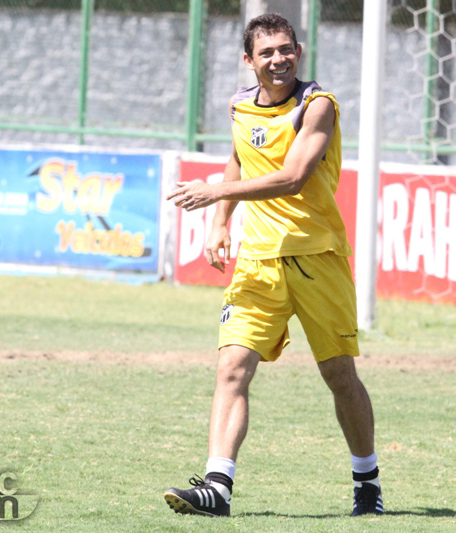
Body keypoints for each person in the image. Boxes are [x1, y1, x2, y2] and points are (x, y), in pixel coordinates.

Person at [164, 13, 383, 518]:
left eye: (286, 49)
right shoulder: (240, 105)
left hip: (317, 258)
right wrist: (221, 222)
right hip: (258, 262)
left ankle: (367, 483)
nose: (278, 59)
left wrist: (215, 192)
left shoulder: (317, 105)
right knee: (231, 367)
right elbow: (239, 158)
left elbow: (293, 177)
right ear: (249, 60)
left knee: (339, 376)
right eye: (267, 52)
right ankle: (217, 487)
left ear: (298, 52)